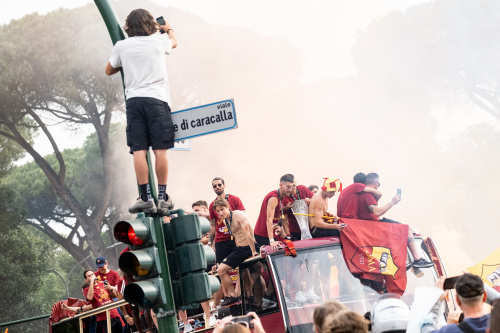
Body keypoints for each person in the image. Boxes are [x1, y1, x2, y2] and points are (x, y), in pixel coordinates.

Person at [105, 8, 177, 214]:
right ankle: (162, 197)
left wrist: (127, 63)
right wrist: (168, 28)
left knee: (139, 150)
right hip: (157, 100)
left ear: (128, 26)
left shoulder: (122, 46)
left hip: (134, 101)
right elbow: (174, 42)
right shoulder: (158, 41)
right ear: (150, 24)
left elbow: (108, 70)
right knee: (160, 150)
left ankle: (145, 198)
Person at [357, 172, 433, 269]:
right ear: (376, 183)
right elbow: (376, 212)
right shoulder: (368, 194)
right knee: (406, 229)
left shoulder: (364, 193)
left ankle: (404, 261)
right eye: (378, 184)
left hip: (369, 224)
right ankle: (417, 260)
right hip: (373, 225)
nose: (378, 186)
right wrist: (392, 202)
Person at [214, 198, 257, 307]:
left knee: (221, 270)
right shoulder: (225, 220)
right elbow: (236, 236)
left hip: (248, 246)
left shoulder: (239, 215)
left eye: (222, 209)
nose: (220, 213)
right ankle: (239, 295)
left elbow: (248, 233)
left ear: (228, 207)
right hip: (240, 248)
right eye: (218, 211)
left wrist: (253, 251)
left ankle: (233, 296)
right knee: (223, 268)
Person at [422, 274, 490, 333]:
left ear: (457, 300)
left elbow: (426, 328)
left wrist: (437, 300)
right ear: (485, 296)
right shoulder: (497, 320)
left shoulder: (451, 330)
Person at [253, 174, 295, 251]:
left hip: (271, 233)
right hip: (263, 234)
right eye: (288, 187)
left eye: (292, 187)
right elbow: (269, 219)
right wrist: (271, 241)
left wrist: (286, 207)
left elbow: (277, 210)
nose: (290, 190)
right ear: (281, 185)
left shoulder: (281, 197)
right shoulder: (274, 198)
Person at [209, 177, 246, 247]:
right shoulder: (212, 205)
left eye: (219, 185)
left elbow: (244, 218)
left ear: (224, 185)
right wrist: (210, 243)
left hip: (237, 237)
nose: (217, 187)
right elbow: (212, 225)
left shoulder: (235, 199)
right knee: (221, 258)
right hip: (221, 240)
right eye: (214, 186)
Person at [282, 174, 314, 240]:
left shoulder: (302, 188)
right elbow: (284, 219)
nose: (292, 189)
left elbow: (316, 201)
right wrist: (288, 235)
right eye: (289, 187)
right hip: (295, 230)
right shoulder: (285, 197)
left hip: (309, 226)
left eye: (294, 186)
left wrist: (311, 200)